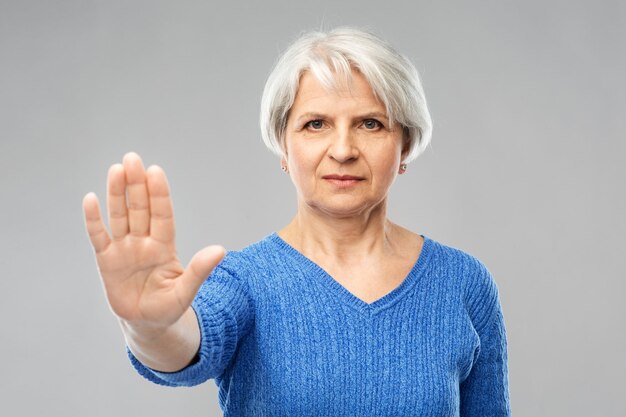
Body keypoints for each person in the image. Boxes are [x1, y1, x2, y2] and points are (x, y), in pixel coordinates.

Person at [83, 27, 511, 416]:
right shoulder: (243, 282)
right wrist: (149, 328)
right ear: (284, 149)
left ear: (405, 146)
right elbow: (184, 346)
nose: (343, 149)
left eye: (370, 123)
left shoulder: (464, 283)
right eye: (315, 124)